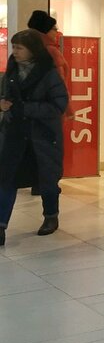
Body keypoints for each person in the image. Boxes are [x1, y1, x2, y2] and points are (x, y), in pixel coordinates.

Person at [0, 29, 68, 245]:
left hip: (43, 136)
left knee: (47, 180)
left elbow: (59, 105)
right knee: (6, 179)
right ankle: (1, 226)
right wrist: (3, 105)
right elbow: (4, 95)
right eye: (14, 47)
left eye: (19, 48)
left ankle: (51, 216)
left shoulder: (48, 73)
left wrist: (26, 109)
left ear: (32, 50)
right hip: (15, 134)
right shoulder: (11, 70)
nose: (15, 52)